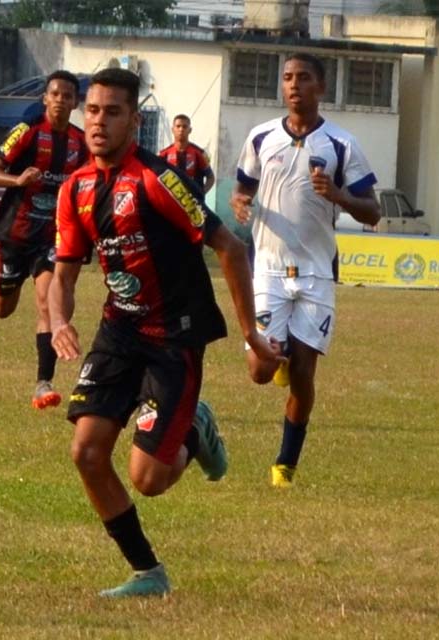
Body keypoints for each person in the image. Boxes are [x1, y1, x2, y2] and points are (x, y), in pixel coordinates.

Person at [49, 68, 282, 597]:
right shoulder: (76, 189)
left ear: (135, 119)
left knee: (148, 479)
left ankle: (193, 428)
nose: (99, 121)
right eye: (92, 110)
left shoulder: (158, 179)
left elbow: (230, 247)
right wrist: (60, 320)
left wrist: (252, 335)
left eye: (112, 112)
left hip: (174, 337)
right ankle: (148, 573)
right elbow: (63, 274)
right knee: (86, 452)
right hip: (120, 329)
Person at [230, 53, 381, 488]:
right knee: (259, 372)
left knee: (303, 375)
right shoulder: (260, 138)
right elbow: (243, 188)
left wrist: (337, 195)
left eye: (304, 78)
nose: (294, 85)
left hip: (316, 274)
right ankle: (276, 359)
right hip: (269, 271)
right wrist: (240, 202)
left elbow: (372, 212)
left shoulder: (341, 144)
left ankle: (285, 463)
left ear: (321, 88)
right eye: (288, 78)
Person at [0, 70, 89, 409]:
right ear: (45, 98)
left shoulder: (81, 144)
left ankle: (43, 383)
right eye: (55, 94)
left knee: (46, 300)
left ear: (74, 102)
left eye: (68, 96)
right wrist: (18, 179)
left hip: (52, 238)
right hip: (16, 234)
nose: (61, 100)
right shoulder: (26, 133)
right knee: (3, 307)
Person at [157, 114, 215, 194]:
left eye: (184, 127)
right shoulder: (164, 154)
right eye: (178, 126)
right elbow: (156, 177)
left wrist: (202, 193)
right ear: (173, 129)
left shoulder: (199, 153)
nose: (181, 129)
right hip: (171, 201)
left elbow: (211, 177)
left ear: (190, 130)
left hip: (193, 203)